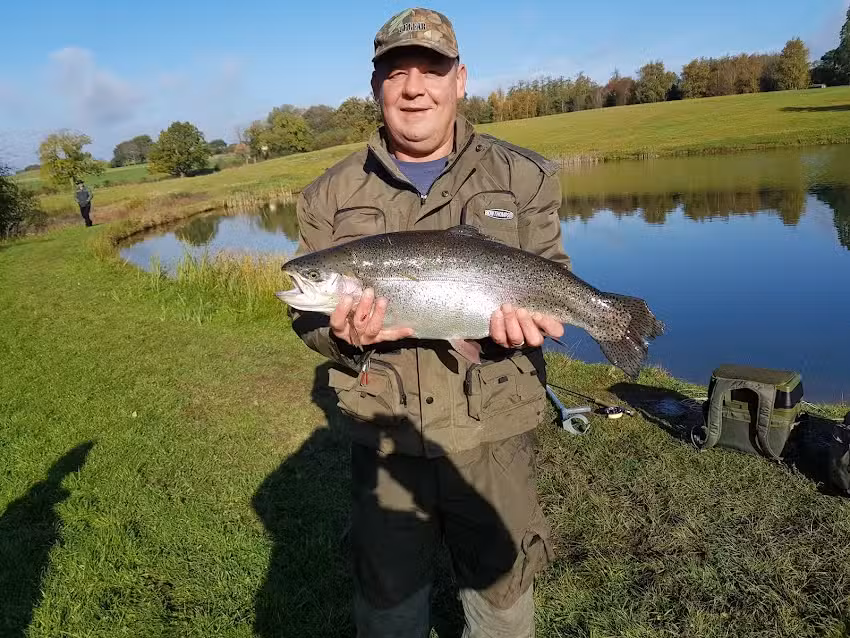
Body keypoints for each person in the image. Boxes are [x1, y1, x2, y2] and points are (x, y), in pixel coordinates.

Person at [290, 7, 571, 637]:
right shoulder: (325, 196)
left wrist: (555, 316)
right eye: (396, 72)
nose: (414, 87)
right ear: (376, 88)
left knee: (504, 593)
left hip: (494, 426)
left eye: (431, 70)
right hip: (387, 434)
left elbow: (549, 268)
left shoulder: (524, 175)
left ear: (461, 79)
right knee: (387, 604)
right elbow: (303, 319)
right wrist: (341, 335)